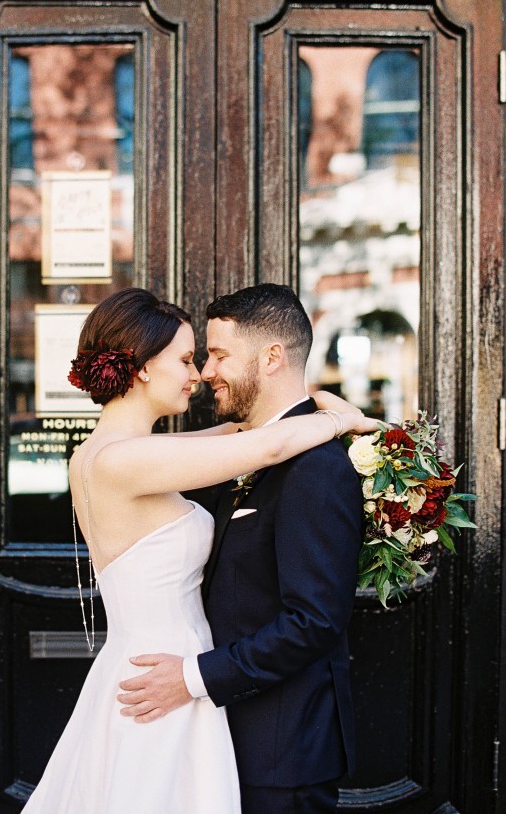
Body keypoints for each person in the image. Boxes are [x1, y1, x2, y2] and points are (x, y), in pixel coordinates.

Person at [22, 287, 375, 814]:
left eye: (209, 357)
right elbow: (268, 445)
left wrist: (324, 408)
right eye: (188, 359)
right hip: (164, 676)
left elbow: (238, 432)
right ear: (142, 368)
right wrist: (342, 421)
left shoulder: (101, 454)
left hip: (166, 673)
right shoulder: (126, 463)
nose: (200, 373)